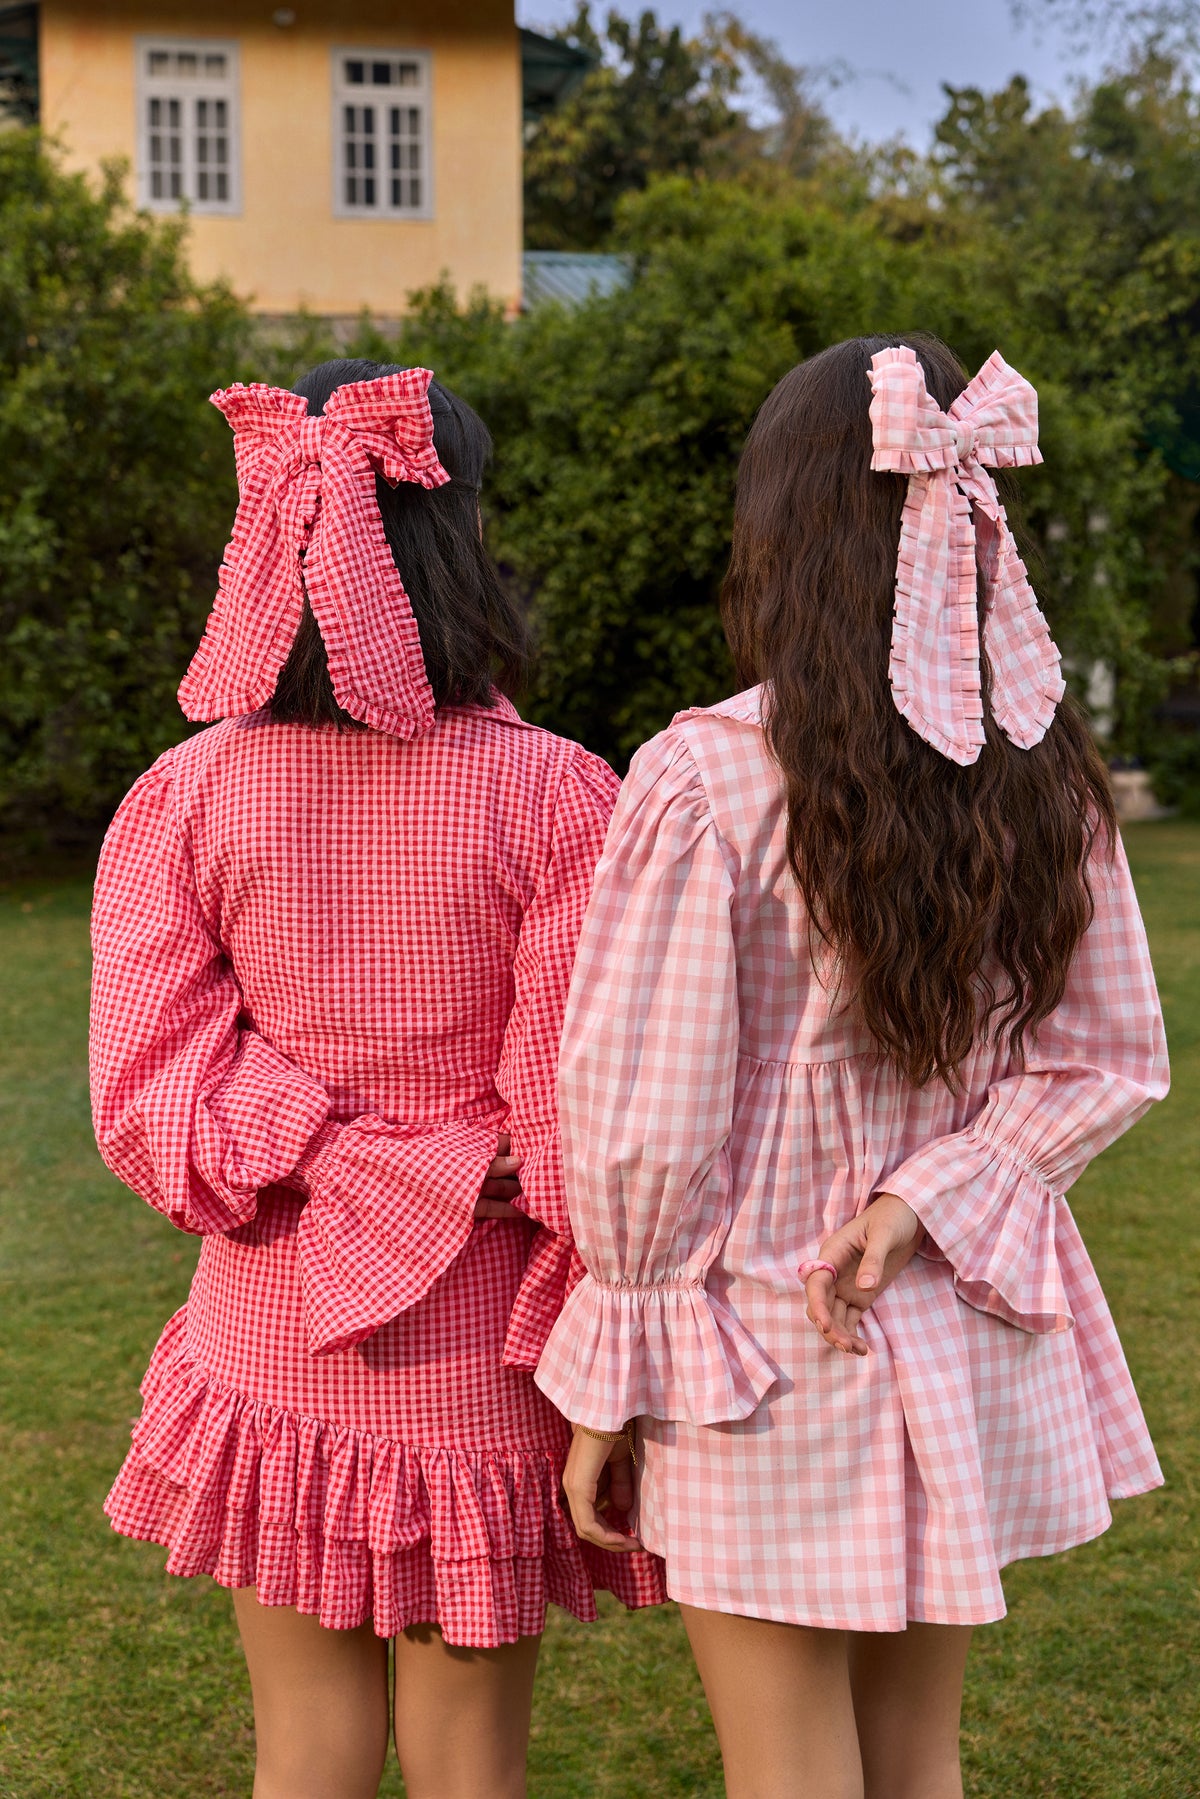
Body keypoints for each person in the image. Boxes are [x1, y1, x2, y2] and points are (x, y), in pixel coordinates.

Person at [537, 336, 1169, 1799]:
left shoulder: (708, 779)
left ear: (787, 530)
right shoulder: (1047, 770)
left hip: (766, 1345)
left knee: (792, 1772)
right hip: (957, 1322)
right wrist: (931, 1195)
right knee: (915, 1761)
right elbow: (1103, 1057)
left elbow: (647, 1117)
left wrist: (611, 1376)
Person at [90, 359, 663, 1799]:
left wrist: (327, 1152)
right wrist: (444, 1169)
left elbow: (154, 1103)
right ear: (460, 538)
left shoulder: (189, 792)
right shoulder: (560, 797)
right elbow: (582, 1127)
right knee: (474, 1765)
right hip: (477, 1360)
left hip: (271, 1342)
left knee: (306, 1751)